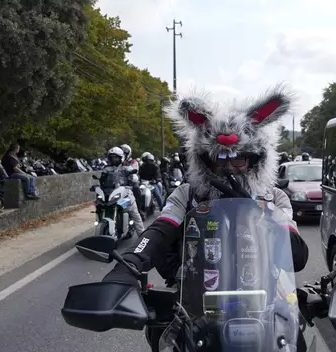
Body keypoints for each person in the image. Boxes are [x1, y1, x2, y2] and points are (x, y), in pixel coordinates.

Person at [102, 88, 309, 351]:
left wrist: (255, 211)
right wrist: (129, 263)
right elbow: (160, 230)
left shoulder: (275, 198)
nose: (228, 168)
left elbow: (298, 256)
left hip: (264, 306)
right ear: (203, 160)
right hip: (194, 308)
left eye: (239, 159)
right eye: (218, 159)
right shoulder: (186, 194)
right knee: (161, 338)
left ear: (256, 160)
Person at [105, 147, 145, 236]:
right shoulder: (106, 169)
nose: (113, 159)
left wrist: (133, 176)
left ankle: (142, 236)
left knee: (135, 214)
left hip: (125, 194)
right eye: (111, 157)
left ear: (121, 158)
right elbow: (102, 180)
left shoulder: (126, 168)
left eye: (116, 157)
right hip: (111, 194)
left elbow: (134, 176)